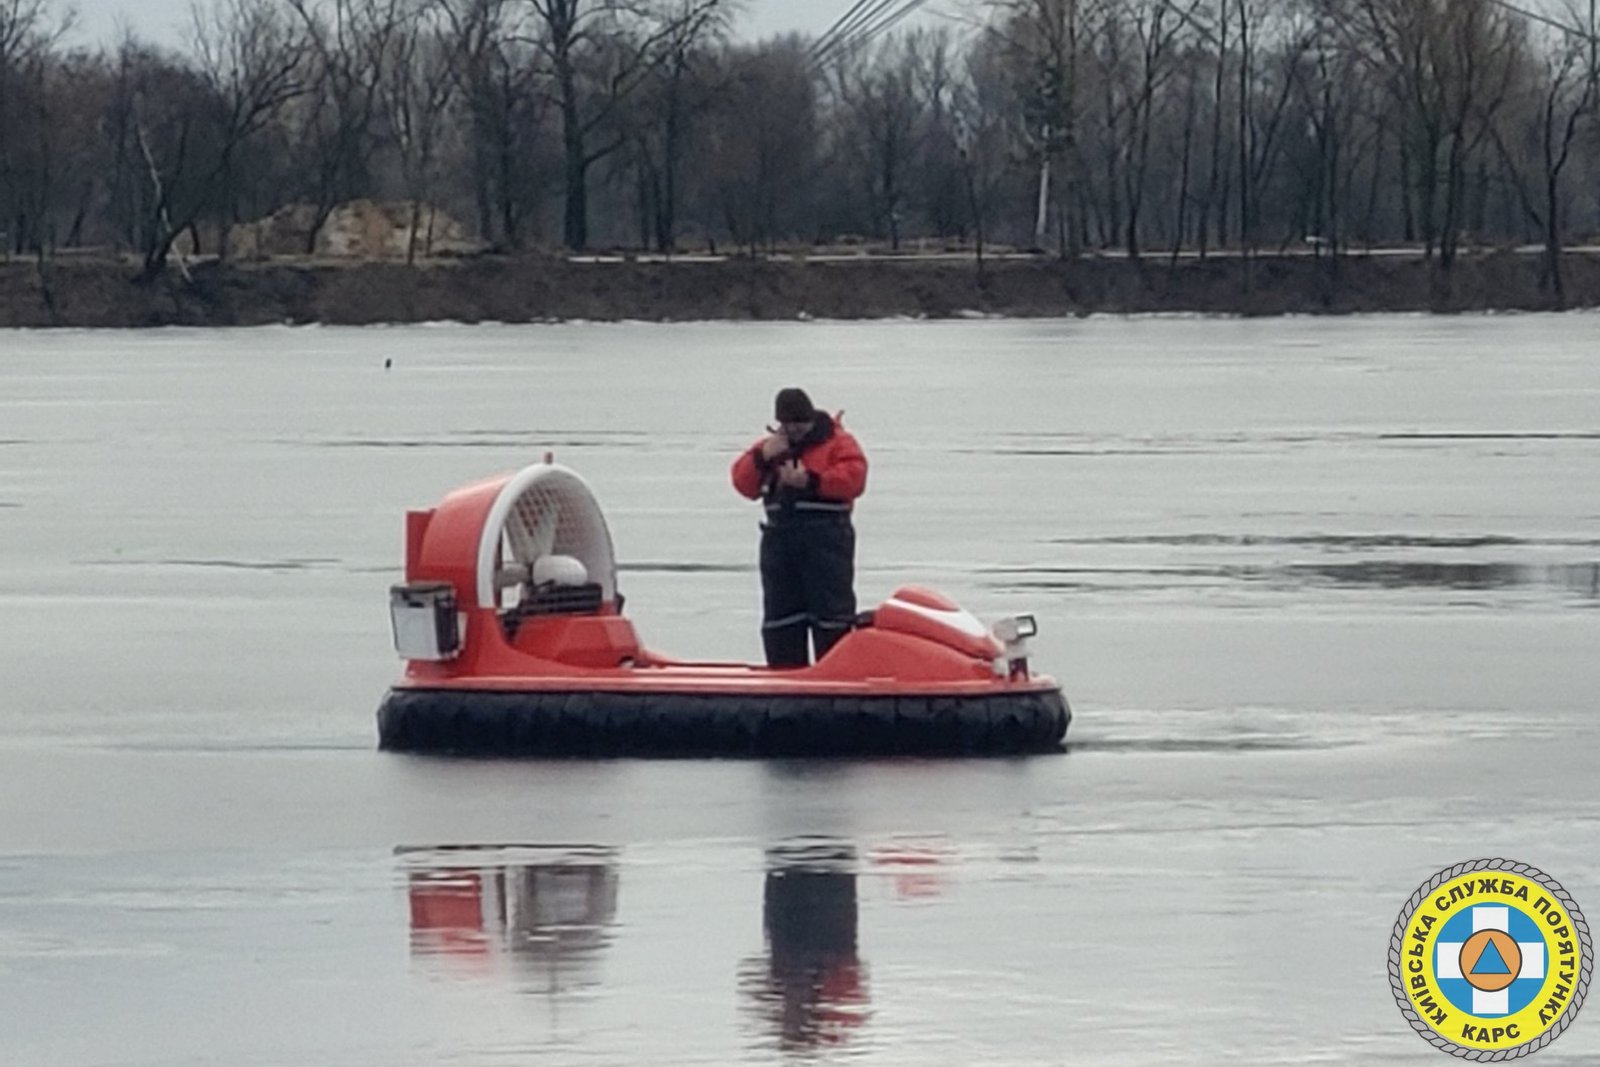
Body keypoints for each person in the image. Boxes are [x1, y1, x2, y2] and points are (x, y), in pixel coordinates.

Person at [731, 388, 868, 668]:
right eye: (787, 424)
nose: (793, 430)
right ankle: (785, 677)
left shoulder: (840, 444)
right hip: (780, 542)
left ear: (810, 419)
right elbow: (743, 483)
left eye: (799, 424)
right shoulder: (770, 448)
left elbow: (854, 480)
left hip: (827, 542)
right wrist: (761, 459)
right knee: (781, 620)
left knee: (832, 617)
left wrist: (811, 482)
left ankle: (837, 676)